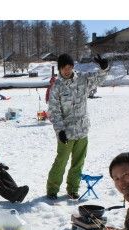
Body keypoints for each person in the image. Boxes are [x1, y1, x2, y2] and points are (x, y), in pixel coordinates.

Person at [46, 53, 109, 200]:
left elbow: (99, 79)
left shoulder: (83, 79)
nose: (67, 70)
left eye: (69, 67)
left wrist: (104, 68)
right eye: (63, 68)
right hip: (66, 133)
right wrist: (60, 130)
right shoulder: (57, 87)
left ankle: (73, 189)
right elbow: (54, 111)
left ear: (72, 67)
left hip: (82, 130)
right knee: (61, 161)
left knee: (78, 162)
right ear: (59, 69)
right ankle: (52, 189)